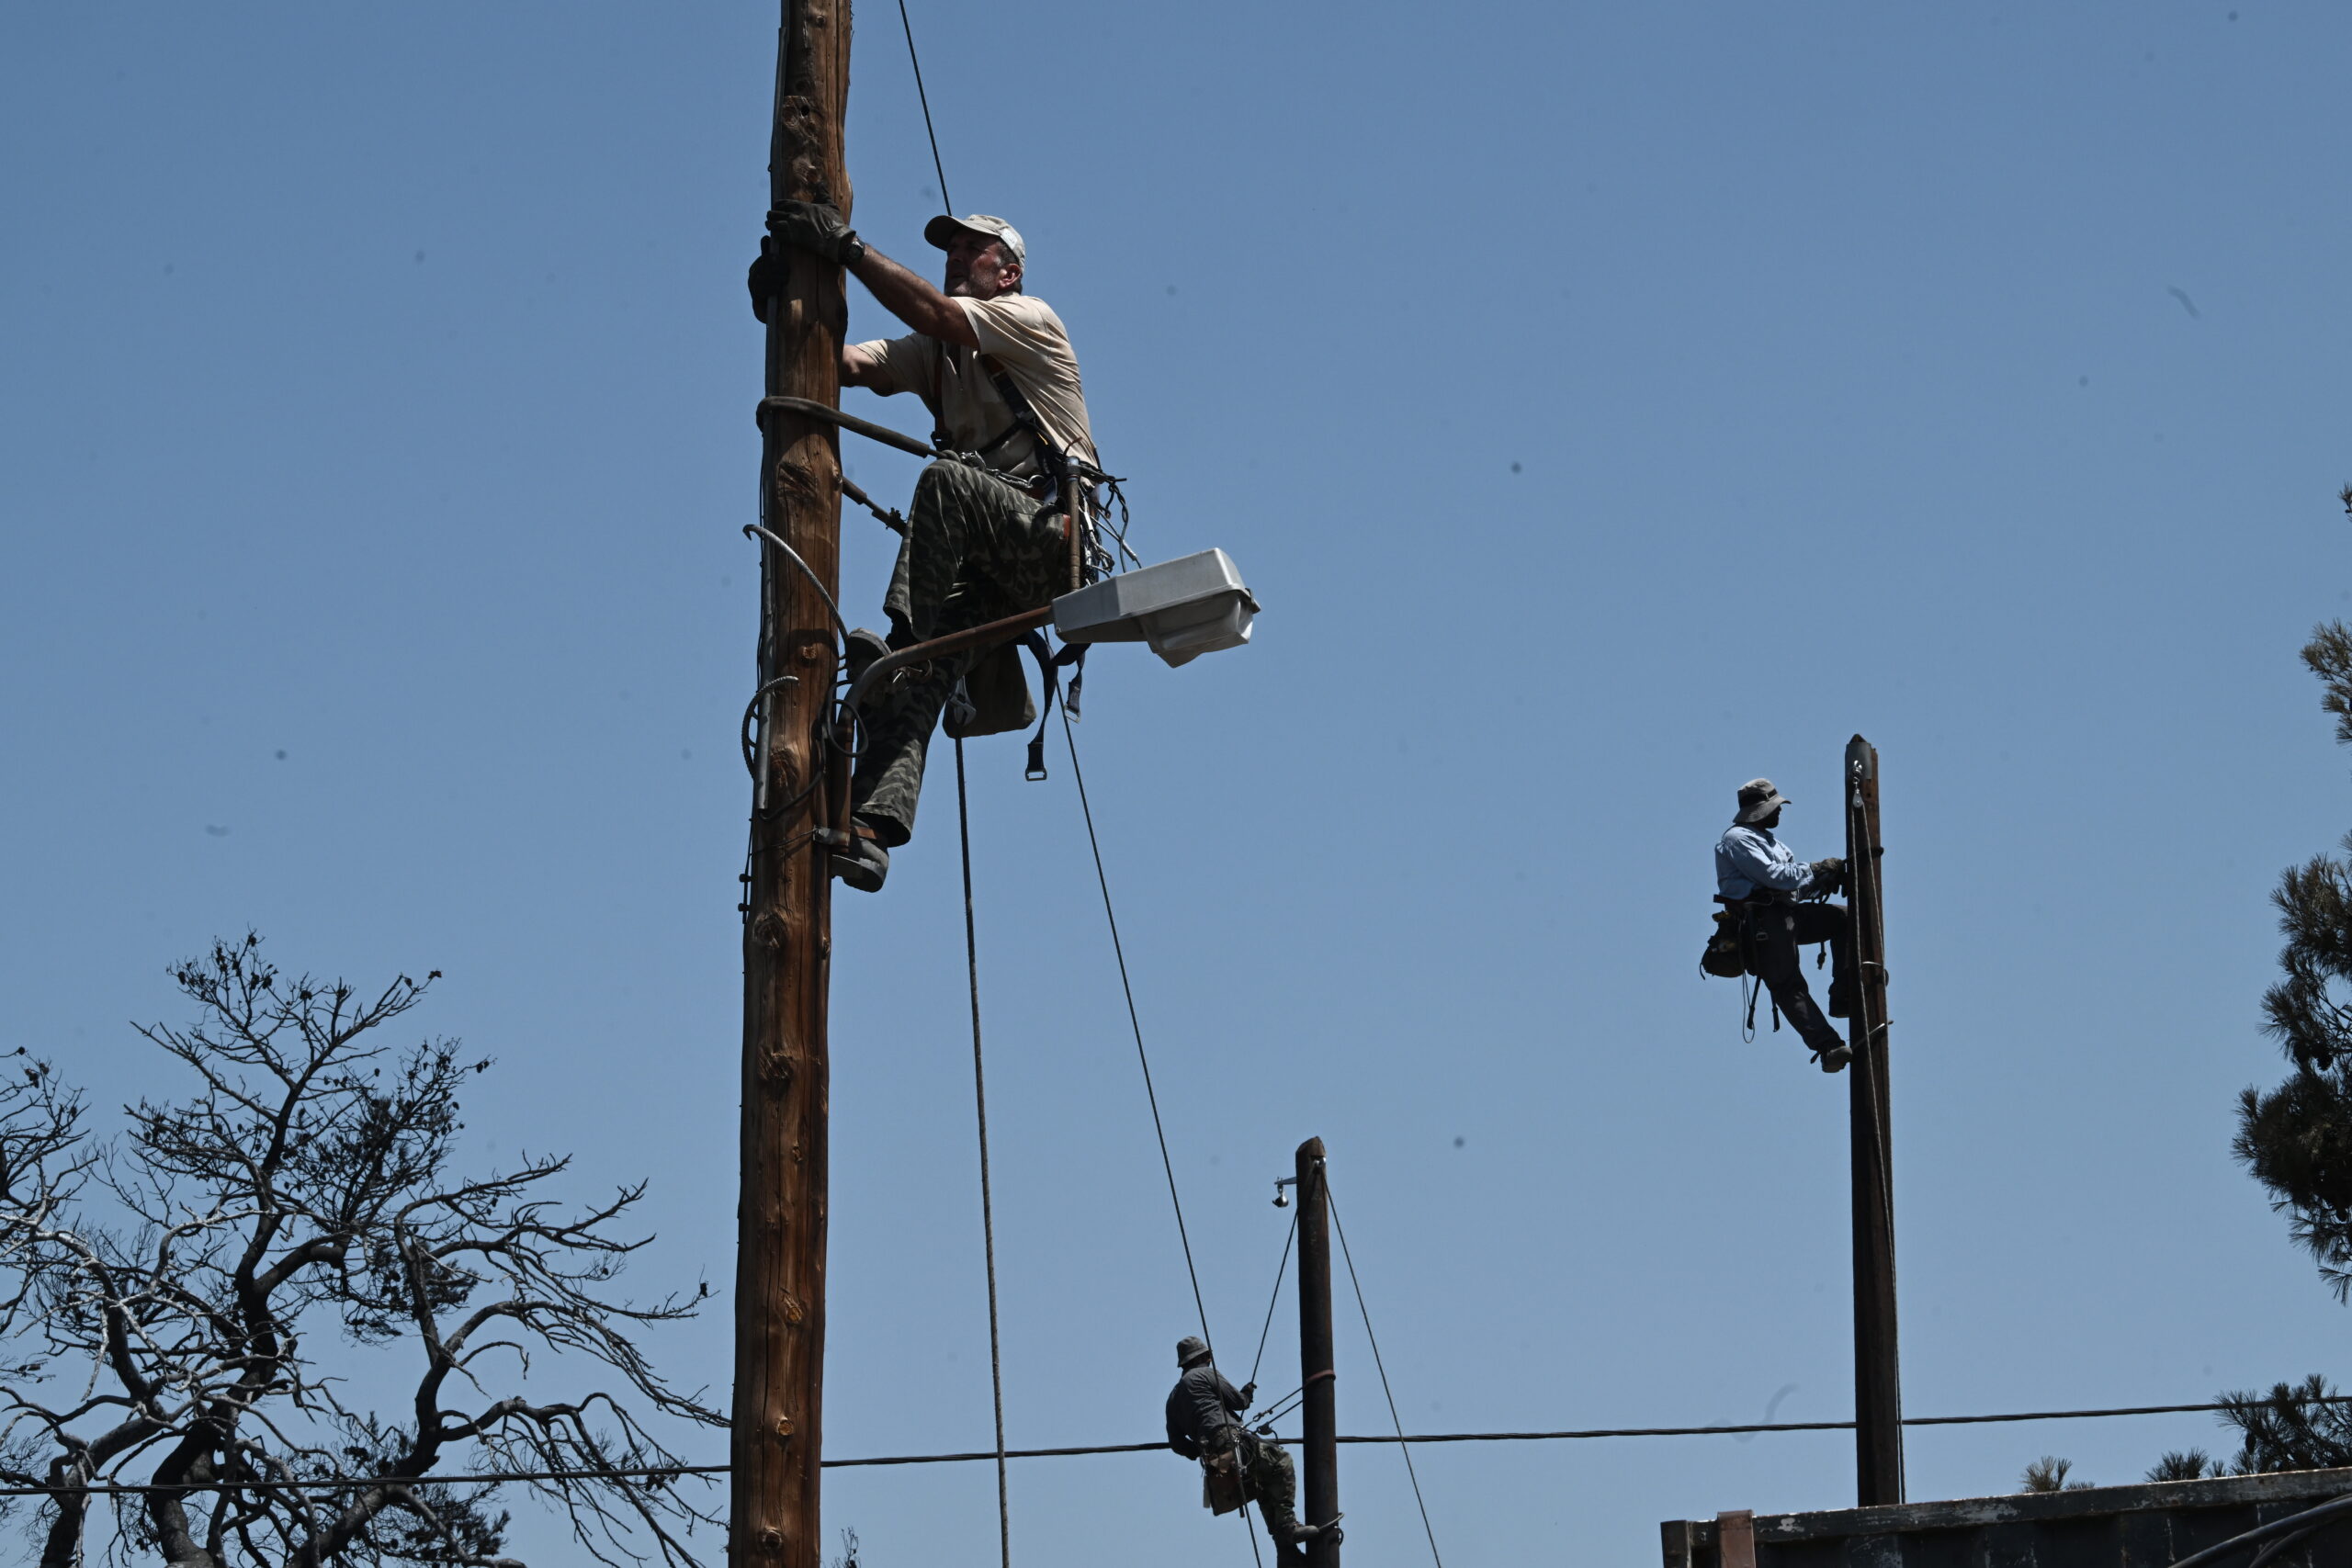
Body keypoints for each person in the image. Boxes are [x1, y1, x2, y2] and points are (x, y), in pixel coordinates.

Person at [750, 203, 1100, 893]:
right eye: (952, 250)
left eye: (973, 250)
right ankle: (873, 830)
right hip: (992, 560)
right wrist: (780, 301)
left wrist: (848, 249)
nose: (957, 259)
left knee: (945, 480)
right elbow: (843, 365)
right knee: (921, 676)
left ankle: (906, 633)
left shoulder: (1030, 319)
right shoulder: (935, 355)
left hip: (1051, 541)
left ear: (1009, 272)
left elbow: (939, 315)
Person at [1715, 778, 1856, 1072]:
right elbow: (1776, 877)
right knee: (1788, 986)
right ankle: (1828, 1047)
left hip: (1787, 914)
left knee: (1846, 918)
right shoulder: (1737, 839)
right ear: (1758, 810)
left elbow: (1792, 889)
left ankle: (1843, 995)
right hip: (1763, 923)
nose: (1780, 812)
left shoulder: (1773, 843)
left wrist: (1822, 880)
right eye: (1774, 807)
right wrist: (1816, 870)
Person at [1164, 1336, 1327, 1557]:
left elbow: (1176, 1443)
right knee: (1281, 1461)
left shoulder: (1172, 1399)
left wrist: (1196, 1450)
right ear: (1202, 1358)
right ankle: (1288, 1526)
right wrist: (1247, 1394)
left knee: (1262, 1484)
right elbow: (1238, 1402)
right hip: (1231, 1439)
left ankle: (1285, 1549)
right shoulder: (1205, 1374)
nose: (1210, 1360)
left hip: (1215, 1460)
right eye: (1207, 1357)